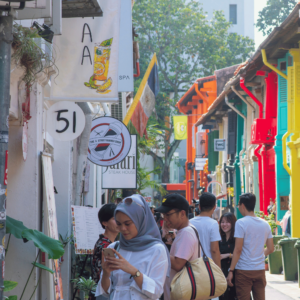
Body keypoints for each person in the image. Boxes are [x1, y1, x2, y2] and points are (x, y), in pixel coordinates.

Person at [96, 195, 169, 299]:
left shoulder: (156, 249)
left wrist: (133, 271)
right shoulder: (115, 247)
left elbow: (156, 292)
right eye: (119, 224)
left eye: (128, 223)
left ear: (140, 220)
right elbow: (104, 293)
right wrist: (106, 274)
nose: (123, 228)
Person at [227, 193, 274, 300]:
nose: (238, 207)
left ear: (242, 205)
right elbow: (271, 248)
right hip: (260, 270)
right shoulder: (265, 224)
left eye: (238, 205)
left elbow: (238, 249)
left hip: (243, 271)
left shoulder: (241, 223)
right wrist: (259, 255)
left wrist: (231, 271)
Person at [155, 194, 198, 300]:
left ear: (182, 213)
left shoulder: (186, 232)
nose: (165, 219)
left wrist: (158, 250)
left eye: (168, 214)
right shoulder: (186, 230)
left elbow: (178, 264)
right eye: (164, 215)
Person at [190, 192, 221, 267]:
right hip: (208, 267)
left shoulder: (190, 222)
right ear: (214, 207)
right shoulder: (213, 224)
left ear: (199, 207)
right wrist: (219, 270)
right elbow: (214, 250)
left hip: (192, 266)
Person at [92, 204, 119, 285]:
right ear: (105, 223)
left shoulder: (106, 242)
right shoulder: (105, 245)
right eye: (115, 219)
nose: (119, 222)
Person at [219, 213, 237, 300]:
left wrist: (227, 255)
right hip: (221, 272)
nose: (224, 224)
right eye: (222, 222)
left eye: (227, 222)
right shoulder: (218, 238)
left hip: (235, 272)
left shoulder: (237, 238)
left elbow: (241, 254)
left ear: (233, 223)